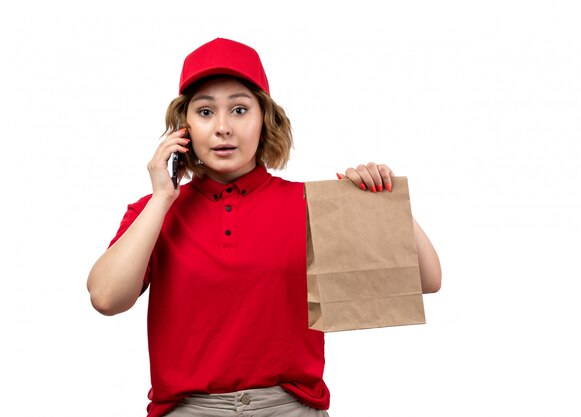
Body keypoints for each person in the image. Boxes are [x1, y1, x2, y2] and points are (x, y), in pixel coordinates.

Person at [87, 37, 441, 417]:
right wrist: (161, 197)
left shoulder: (311, 204)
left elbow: (426, 280)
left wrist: (382, 203)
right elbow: (106, 299)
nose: (222, 127)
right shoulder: (154, 212)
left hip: (290, 407)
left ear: (265, 119)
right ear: (183, 128)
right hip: (189, 410)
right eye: (205, 112)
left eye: (239, 109)